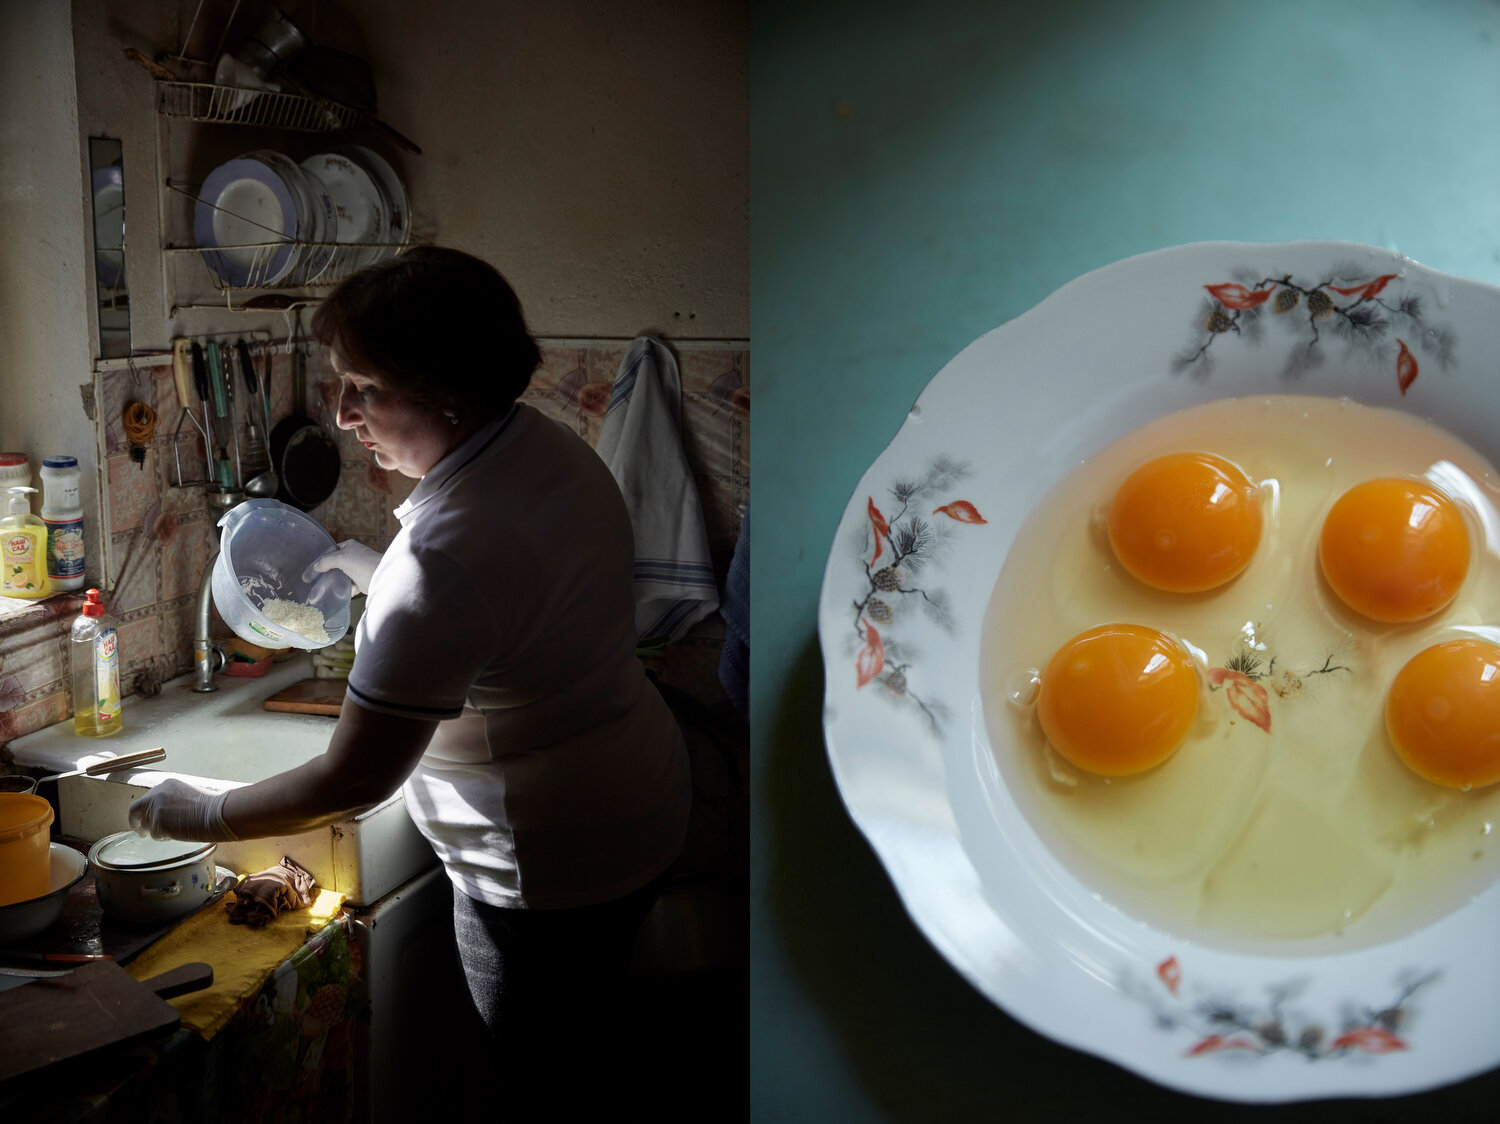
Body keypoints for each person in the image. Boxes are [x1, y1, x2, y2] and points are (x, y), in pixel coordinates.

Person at [128, 246, 694, 1107]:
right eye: (340, 380)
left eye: (368, 388)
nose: (344, 412)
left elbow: (356, 775)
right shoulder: (542, 446)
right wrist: (378, 567)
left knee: (544, 1083)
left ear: (448, 394)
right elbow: (517, 597)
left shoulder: (442, 562)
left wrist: (201, 813)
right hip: (637, 796)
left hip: (545, 867)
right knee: (588, 1052)